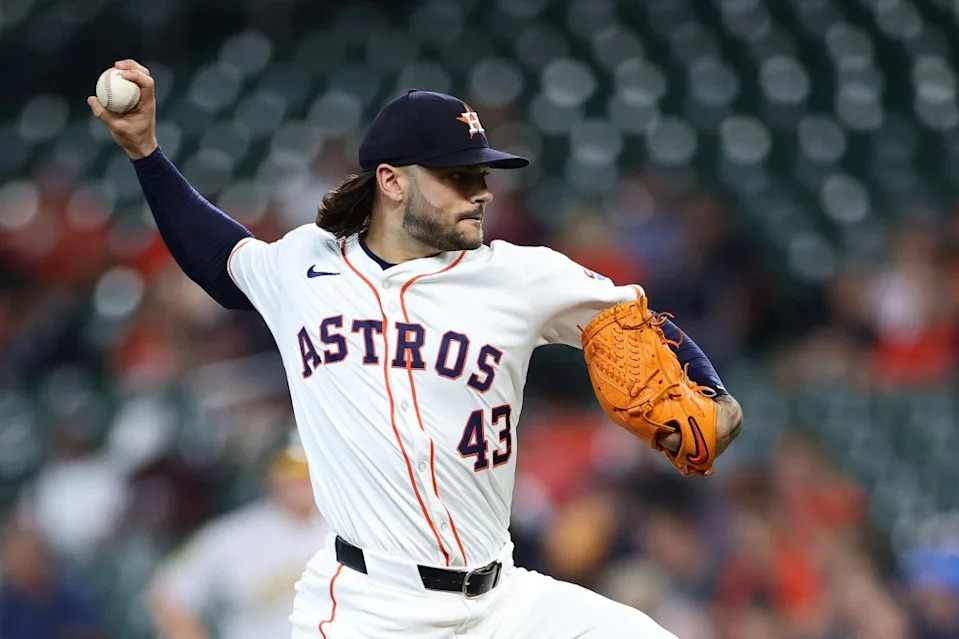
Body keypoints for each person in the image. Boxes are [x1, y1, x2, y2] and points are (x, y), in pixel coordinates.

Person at [89, 59, 743, 638]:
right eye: (458, 176)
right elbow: (216, 255)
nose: (480, 190)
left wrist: (710, 396)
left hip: (503, 602)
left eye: (482, 174)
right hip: (370, 608)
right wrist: (146, 154)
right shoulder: (303, 267)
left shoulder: (521, 276)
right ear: (392, 182)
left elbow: (634, 318)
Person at [146, 444, 327, 639]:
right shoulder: (233, 536)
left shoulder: (347, 526)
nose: (303, 484)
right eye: (294, 475)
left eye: (306, 474)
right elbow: (168, 596)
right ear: (272, 477)